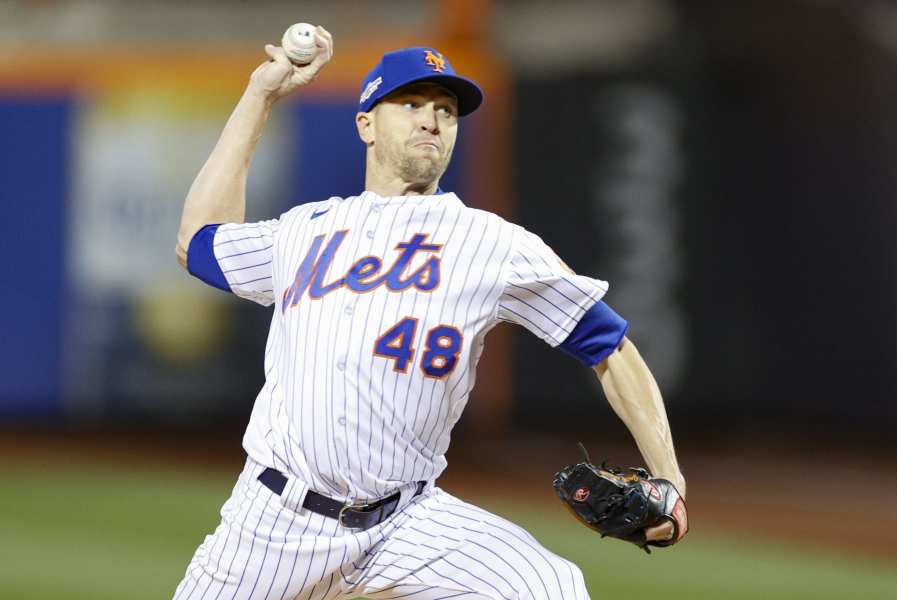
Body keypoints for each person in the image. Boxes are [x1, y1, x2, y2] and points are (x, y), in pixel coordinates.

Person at [173, 27, 687, 600]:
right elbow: (199, 240)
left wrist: (669, 475)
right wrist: (260, 95)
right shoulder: (305, 229)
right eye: (410, 103)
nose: (431, 119)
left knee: (550, 586)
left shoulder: (495, 244)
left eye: (446, 109)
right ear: (366, 123)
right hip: (273, 523)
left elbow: (610, 347)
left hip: (406, 522)